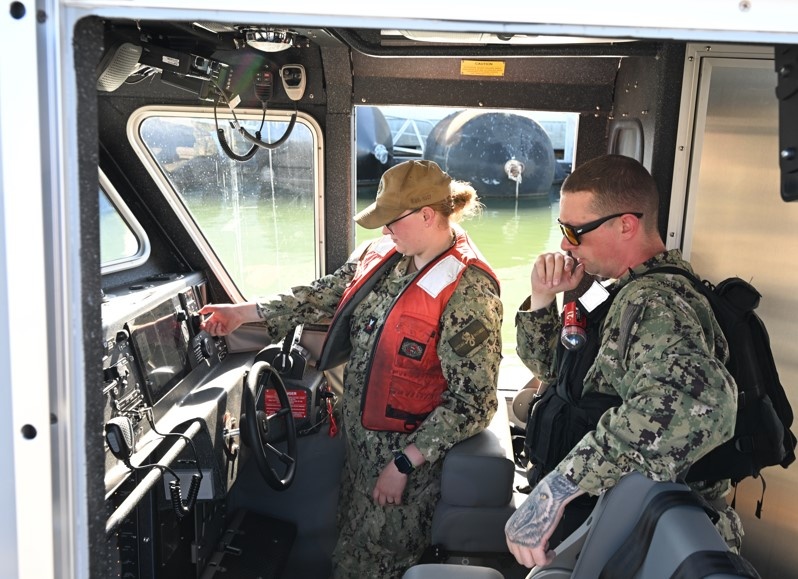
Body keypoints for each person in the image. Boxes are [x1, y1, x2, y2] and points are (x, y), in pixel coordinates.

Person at [199, 159, 503, 578]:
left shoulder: (469, 292)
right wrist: (243, 314)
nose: (384, 231)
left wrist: (403, 465)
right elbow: (322, 295)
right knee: (349, 556)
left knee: (381, 568)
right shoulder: (388, 255)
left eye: (391, 221)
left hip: (405, 469)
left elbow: (474, 402)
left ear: (428, 215)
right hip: (359, 453)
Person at [505, 154, 743, 569]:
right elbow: (556, 371)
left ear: (626, 225)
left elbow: (698, 404)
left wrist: (559, 487)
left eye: (573, 231)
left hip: (634, 526)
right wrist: (543, 297)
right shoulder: (617, 291)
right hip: (609, 513)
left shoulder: (653, 301)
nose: (564, 244)